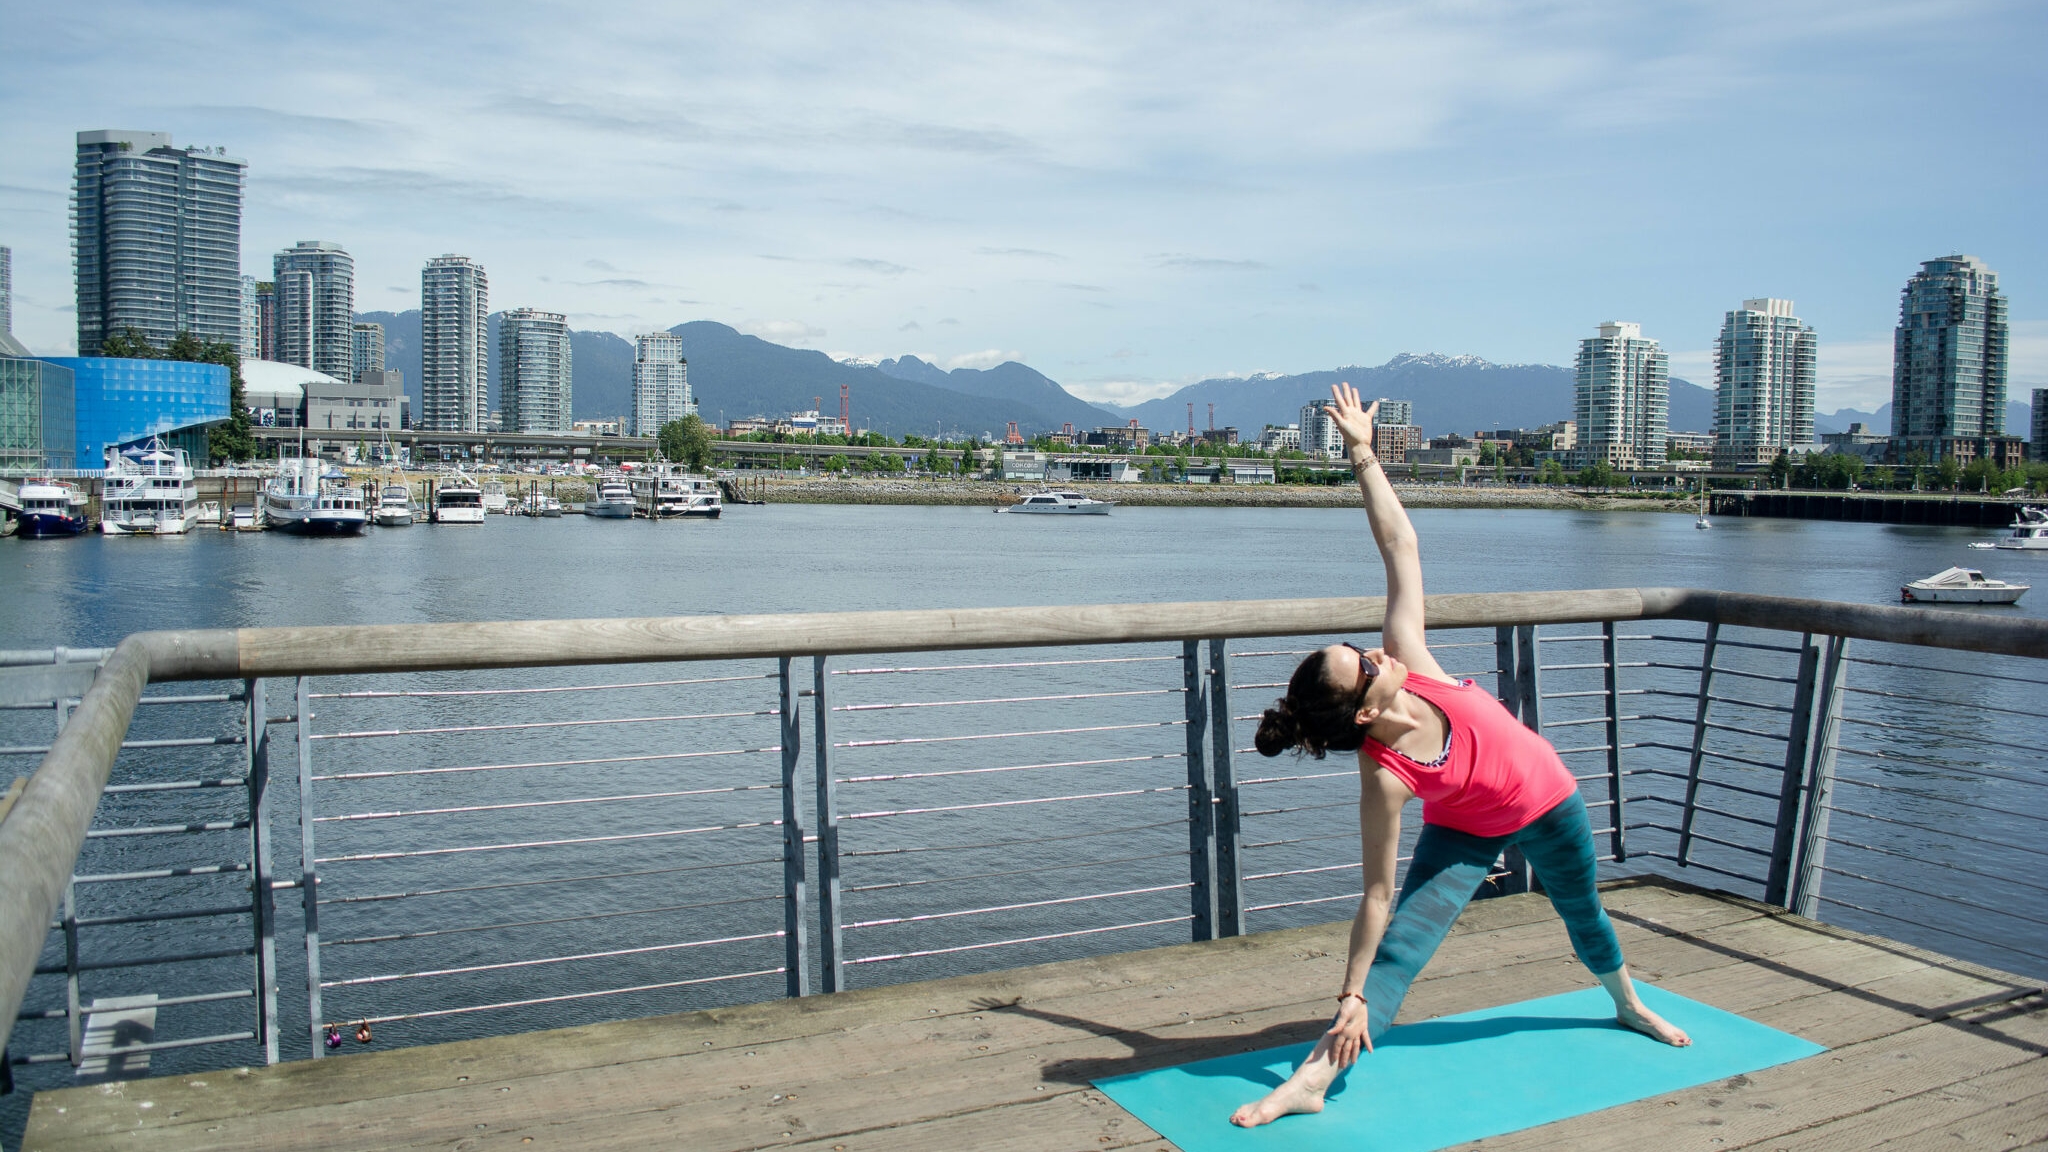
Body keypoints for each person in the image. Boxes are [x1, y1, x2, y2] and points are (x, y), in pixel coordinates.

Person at [1229, 382, 1690, 1129]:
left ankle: (1629, 1004)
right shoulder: (1384, 774)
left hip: (1550, 800)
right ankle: (1312, 1078)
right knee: (1397, 956)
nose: (1375, 652)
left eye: (1357, 648)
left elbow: (1400, 546)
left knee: (1585, 916)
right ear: (1365, 711)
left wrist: (1362, 453)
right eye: (1363, 665)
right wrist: (1350, 991)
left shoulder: (1412, 660)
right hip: (1469, 832)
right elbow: (1376, 896)